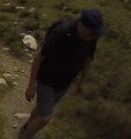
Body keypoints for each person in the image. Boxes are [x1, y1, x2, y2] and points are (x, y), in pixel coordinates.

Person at [18, 9, 107, 138]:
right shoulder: (62, 33)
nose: (94, 37)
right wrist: (31, 85)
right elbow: (39, 57)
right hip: (46, 79)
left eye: (96, 34)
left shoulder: (92, 37)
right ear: (82, 26)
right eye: (92, 34)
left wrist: (82, 81)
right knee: (45, 118)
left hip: (64, 82)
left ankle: (27, 127)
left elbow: (88, 58)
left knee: (41, 109)